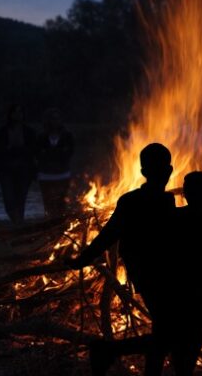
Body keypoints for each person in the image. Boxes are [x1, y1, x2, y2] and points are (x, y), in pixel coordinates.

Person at [65, 143, 176, 376]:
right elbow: (109, 234)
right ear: (169, 170)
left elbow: (109, 234)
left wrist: (83, 259)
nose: (161, 173)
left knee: (164, 329)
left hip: (153, 274)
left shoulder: (151, 201)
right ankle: (110, 349)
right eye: (161, 169)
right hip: (154, 275)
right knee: (168, 332)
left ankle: (114, 352)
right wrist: (82, 259)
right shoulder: (144, 202)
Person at [169, 171, 202, 375]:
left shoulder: (174, 218)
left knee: (177, 339)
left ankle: (180, 370)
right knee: (195, 338)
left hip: (176, 288)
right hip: (201, 288)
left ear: (184, 194)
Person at [0, 104, 37, 224]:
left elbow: (32, 150)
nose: (18, 115)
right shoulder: (3, 131)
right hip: (7, 170)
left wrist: (17, 149)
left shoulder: (29, 131)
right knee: (8, 199)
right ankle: (17, 221)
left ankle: (19, 223)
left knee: (21, 198)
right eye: (15, 112)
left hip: (24, 169)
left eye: (20, 112)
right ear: (10, 114)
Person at [36, 108, 74, 218]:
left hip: (63, 174)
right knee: (48, 203)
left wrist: (50, 152)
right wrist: (59, 152)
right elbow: (39, 154)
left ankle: (60, 225)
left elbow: (69, 153)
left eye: (57, 119)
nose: (55, 121)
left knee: (62, 203)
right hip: (45, 175)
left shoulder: (67, 136)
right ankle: (50, 224)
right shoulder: (41, 137)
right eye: (52, 119)